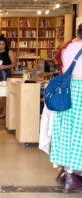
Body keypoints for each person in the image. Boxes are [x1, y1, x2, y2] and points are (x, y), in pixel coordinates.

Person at [50, 23, 82, 193]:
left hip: (68, 93)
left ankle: (65, 172)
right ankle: (71, 175)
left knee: (68, 132)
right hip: (80, 92)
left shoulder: (66, 48)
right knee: (79, 134)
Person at [0, 34, 16, 118]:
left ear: (5, 44)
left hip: (5, 74)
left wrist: (4, 66)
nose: (1, 46)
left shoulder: (10, 52)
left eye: (3, 44)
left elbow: (14, 64)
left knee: (5, 95)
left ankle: (4, 112)